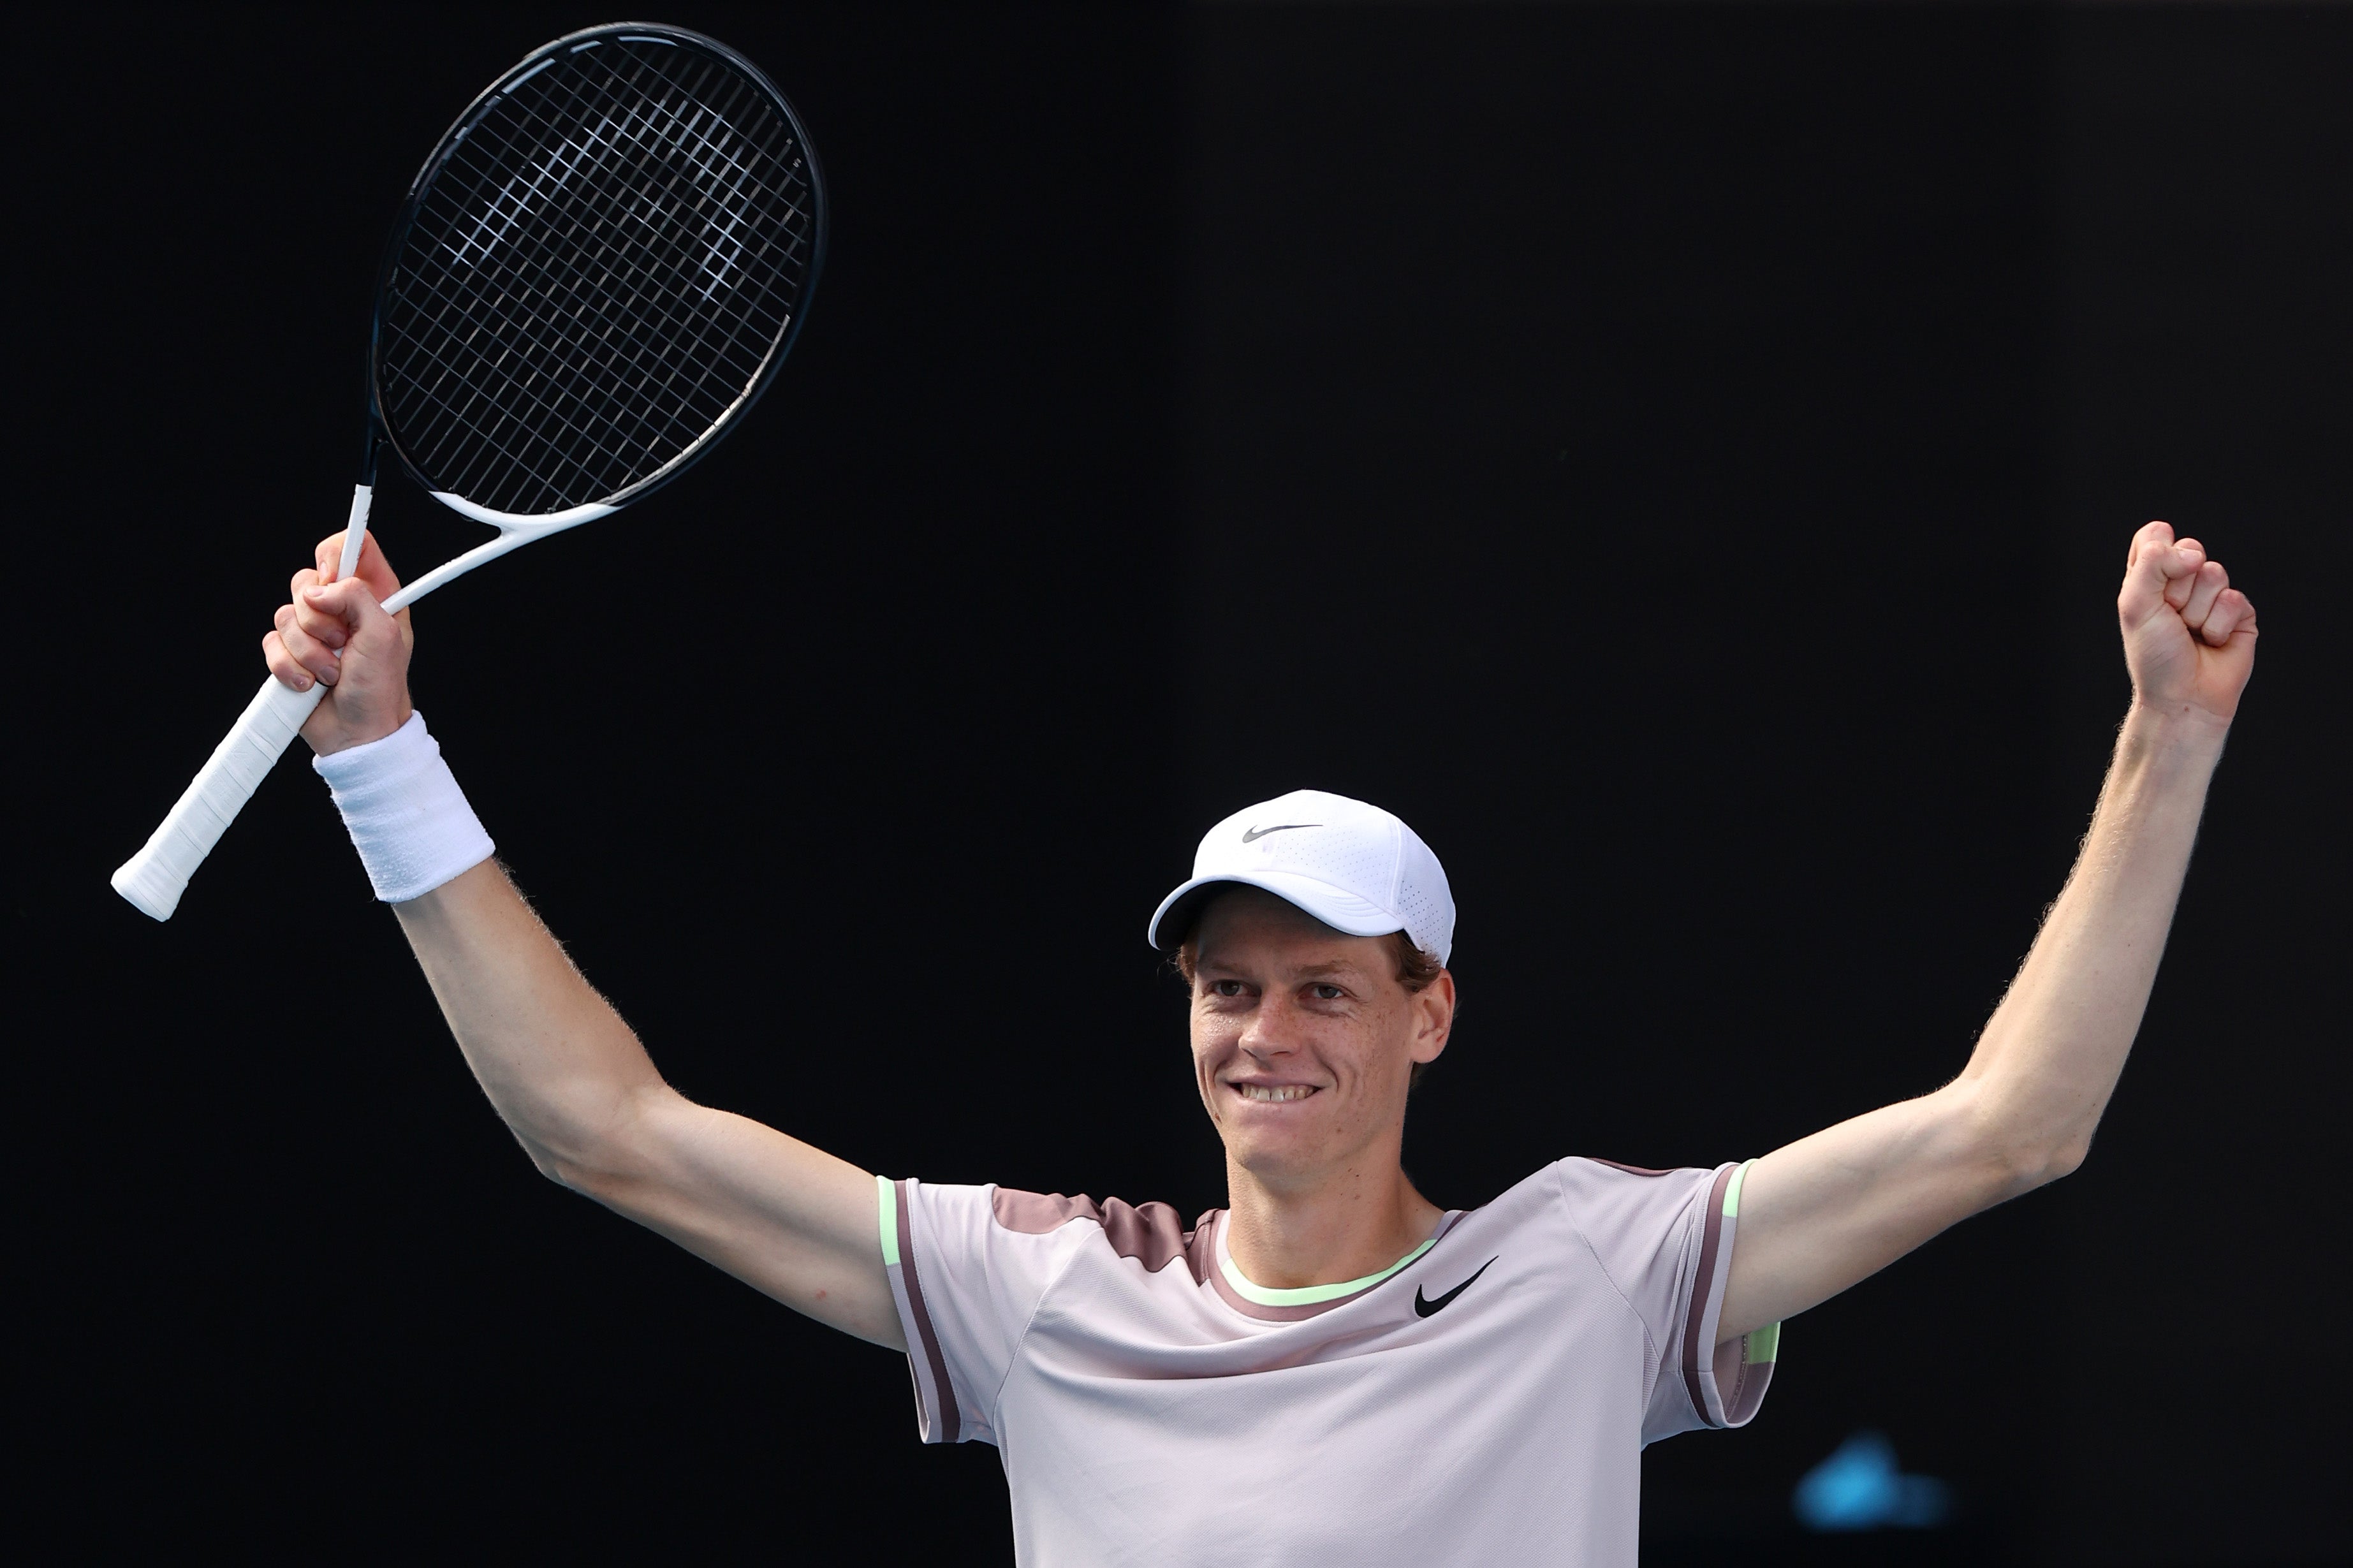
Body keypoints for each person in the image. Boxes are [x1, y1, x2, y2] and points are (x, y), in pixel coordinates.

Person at [261, 521, 2254, 1565]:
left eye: (1323, 983)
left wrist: (2167, 738)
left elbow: (2013, 1124)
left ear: (1428, 1010)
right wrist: (380, 759)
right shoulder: (1043, 1285)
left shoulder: (1587, 1270)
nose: (1266, 1030)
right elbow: (607, 1127)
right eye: (1229, 984)